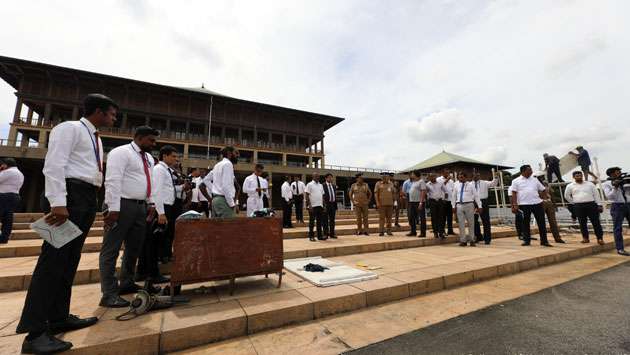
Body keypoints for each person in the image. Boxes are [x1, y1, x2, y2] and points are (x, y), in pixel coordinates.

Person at [16, 94, 116, 353]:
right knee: (52, 263)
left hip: (85, 197)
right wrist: (57, 202)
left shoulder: (96, 138)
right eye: (111, 113)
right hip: (68, 197)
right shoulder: (69, 128)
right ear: (98, 111)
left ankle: (58, 316)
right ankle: (34, 333)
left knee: (69, 261)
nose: (114, 118)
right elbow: (54, 165)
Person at [99, 126, 158, 308]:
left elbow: (149, 181)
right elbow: (113, 180)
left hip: (140, 207)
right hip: (121, 205)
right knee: (111, 249)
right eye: (151, 140)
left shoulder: (148, 158)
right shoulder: (121, 152)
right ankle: (108, 293)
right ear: (139, 138)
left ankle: (127, 282)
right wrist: (113, 208)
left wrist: (151, 203)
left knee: (134, 247)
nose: (153, 144)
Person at [153, 145, 188, 263]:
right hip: (163, 206)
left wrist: (182, 187)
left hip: (170, 205)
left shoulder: (167, 170)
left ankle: (165, 255)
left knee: (168, 233)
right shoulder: (159, 169)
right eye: (173, 156)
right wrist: (161, 212)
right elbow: (157, 191)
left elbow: (169, 188)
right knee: (162, 235)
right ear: (164, 156)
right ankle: (160, 256)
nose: (175, 159)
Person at [510, 165, 553, 247]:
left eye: (531, 170)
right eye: (529, 170)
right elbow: (514, 193)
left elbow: (543, 189)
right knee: (525, 223)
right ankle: (527, 240)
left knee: (541, 223)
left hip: (537, 204)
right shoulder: (515, 181)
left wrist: (543, 198)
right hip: (524, 205)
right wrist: (515, 204)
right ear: (523, 171)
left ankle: (544, 241)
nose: (531, 171)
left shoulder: (535, 179)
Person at [565, 171, 604, 245]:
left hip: (591, 205)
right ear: (574, 177)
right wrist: (574, 202)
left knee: (596, 222)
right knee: (582, 223)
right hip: (579, 206)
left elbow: (596, 194)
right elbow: (567, 196)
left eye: (580, 176)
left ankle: (600, 238)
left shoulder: (590, 184)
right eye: (577, 176)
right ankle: (585, 238)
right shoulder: (570, 186)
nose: (579, 177)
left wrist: (599, 204)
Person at [603, 167, 630, 255]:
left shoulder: (625, 181)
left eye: (620, 172)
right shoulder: (607, 184)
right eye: (617, 172)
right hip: (617, 206)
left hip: (628, 204)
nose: (620, 173)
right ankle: (620, 249)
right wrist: (615, 187)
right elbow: (609, 197)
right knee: (618, 228)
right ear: (612, 174)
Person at [451, 172, 482, 246]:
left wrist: (480, 206)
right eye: (459, 177)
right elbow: (453, 196)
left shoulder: (471, 185)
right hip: (459, 205)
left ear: (465, 177)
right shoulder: (456, 185)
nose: (460, 178)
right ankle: (463, 241)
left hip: (469, 204)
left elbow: (476, 196)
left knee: (471, 223)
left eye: (461, 177)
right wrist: (453, 206)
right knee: (461, 224)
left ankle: (472, 240)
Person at [0, 158, 24, 243]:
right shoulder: (20, 174)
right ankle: (4, 238)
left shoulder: (7, 172)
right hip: (15, 196)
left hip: (4, 196)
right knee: (8, 218)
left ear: (6, 165)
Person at [211, 146, 239, 217]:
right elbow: (225, 186)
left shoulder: (217, 165)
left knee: (216, 227)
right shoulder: (228, 164)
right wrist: (232, 204)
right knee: (228, 227)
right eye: (235, 153)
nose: (237, 155)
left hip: (215, 200)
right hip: (223, 201)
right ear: (229, 153)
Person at [537, 176, 565, 243]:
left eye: (541, 177)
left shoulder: (546, 184)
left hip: (549, 202)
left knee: (553, 221)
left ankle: (557, 238)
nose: (541, 178)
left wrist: (555, 204)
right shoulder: (534, 185)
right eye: (539, 177)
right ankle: (544, 239)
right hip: (540, 203)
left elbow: (551, 194)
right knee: (541, 222)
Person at [472, 172, 498, 244]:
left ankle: (487, 239)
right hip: (474, 203)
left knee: (486, 221)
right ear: (472, 176)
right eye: (474, 175)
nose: (476, 176)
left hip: (483, 202)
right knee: (474, 221)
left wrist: (496, 177)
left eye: (477, 175)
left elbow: (494, 184)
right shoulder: (470, 184)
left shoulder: (485, 182)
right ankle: (478, 237)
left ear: (479, 176)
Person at [406, 170, 427, 237]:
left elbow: (423, 192)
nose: (411, 175)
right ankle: (413, 231)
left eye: (412, 174)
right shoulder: (414, 182)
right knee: (411, 217)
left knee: (421, 218)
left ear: (415, 174)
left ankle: (423, 233)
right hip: (412, 202)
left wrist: (421, 202)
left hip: (419, 202)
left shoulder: (421, 181)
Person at [305, 173, 326, 241]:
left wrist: (324, 205)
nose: (317, 177)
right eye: (316, 176)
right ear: (313, 177)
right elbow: (307, 195)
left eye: (318, 176)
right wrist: (309, 205)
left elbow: (322, 196)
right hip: (313, 206)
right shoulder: (309, 184)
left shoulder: (321, 185)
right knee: (312, 222)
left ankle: (319, 236)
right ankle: (311, 236)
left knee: (319, 222)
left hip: (320, 205)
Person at [426, 174, 447, 239]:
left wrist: (445, 200)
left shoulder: (440, 183)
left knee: (441, 217)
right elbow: (426, 193)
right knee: (434, 217)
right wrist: (427, 201)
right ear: (429, 177)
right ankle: (435, 232)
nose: (433, 177)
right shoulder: (427, 184)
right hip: (432, 202)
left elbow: (446, 191)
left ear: (436, 177)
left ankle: (441, 233)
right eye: (431, 176)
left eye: (434, 176)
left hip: (440, 201)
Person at [375, 172, 395, 236]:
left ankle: (389, 231)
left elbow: (393, 193)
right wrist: (377, 202)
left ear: (388, 177)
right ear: (381, 177)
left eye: (386, 176)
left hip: (390, 204)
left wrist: (394, 202)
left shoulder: (391, 184)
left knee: (389, 218)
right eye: (383, 177)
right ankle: (381, 231)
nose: (384, 178)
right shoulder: (378, 184)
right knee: (382, 218)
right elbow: (376, 194)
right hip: (381, 204)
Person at [437, 170, 455, 235]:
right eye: (446, 172)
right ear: (442, 173)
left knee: (450, 217)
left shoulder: (452, 181)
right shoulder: (439, 179)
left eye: (448, 173)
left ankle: (450, 230)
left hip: (450, 200)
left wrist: (453, 201)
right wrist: (447, 180)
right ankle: (442, 231)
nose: (447, 174)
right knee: (443, 217)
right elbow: (440, 186)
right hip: (442, 200)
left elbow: (453, 191)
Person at [322, 173, 338, 238]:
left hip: (333, 205)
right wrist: (323, 205)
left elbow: (334, 195)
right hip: (326, 204)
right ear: (326, 178)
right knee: (325, 220)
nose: (330, 178)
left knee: (332, 220)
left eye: (331, 177)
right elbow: (322, 195)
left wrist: (335, 205)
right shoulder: (322, 185)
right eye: (329, 177)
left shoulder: (334, 186)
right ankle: (325, 234)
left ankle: (332, 233)